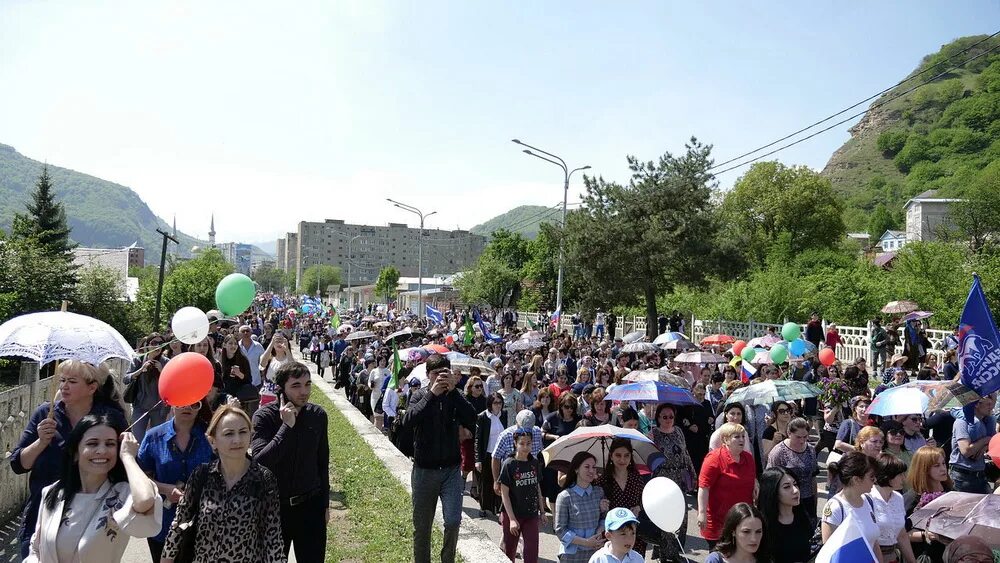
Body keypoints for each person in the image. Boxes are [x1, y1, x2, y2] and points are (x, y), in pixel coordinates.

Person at [11, 360, 128, 559]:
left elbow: (123, 465)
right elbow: (18, 465)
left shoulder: (110, 419)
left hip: (92, 515)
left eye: (72, 381)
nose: (64, 386)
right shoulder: (45, 414)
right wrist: (40, 442)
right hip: (43, 510)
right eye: (62, 380)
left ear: (92, 387)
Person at [25, 414, 161, 562]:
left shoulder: (122, 494)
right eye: (92, 443)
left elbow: (146, 500)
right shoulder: (53, 492)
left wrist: (128, 457)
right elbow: (36, 548)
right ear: (75, 452)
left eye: (110, 444)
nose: (102, 450)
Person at [161, 405, 285, 562]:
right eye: (229, 434)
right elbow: (179, 523)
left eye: (243, 432)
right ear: (213, 441)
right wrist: (167, 558)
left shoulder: (263, 479)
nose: (237, 440)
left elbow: (272, 536)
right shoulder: (201, 475)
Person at [402, 354, 477, 563]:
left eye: (444, 373)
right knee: (422, 527)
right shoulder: (419, 395)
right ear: (428, 375)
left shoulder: (455, 396)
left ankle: (447, 560)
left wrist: (454, 393)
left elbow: (472, 418)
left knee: (453, 521)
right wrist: (431, 395)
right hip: (425, 471)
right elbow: (408, 420)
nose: (440, 379)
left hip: (451, 470)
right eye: (436, 374)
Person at [251, 361, 329, 561]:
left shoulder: (317, 415)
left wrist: (325, 505)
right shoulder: (264, 417)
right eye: (296, 386)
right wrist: (286, 427)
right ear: (281, 389)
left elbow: (322, 462)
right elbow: (260, 461)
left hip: (310, 506)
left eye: (308, 384)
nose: (304, 391)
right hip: (275, 509)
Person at [137, 399, 214, 561]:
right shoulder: (153, 437)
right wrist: (165, 489)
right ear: (171, 404)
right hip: (163, 523)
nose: (187, 407)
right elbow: (139, 477)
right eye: (181, 402)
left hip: (204, 525)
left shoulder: (211, 436)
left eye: (195, 404)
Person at [699, 423, 757, 552]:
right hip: (718, 521)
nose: (742, 439)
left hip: (742, 521)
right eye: (737, 436)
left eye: (743, 436)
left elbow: (751, 480)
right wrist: (702, 513)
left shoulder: (748, 458)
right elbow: (704, 487)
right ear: (725, 440)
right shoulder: (714, 458)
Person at [821, 452, 880, 559]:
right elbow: (829, 553)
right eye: (871, 477)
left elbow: (874, 543)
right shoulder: (835, 508)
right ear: (856, 479)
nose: (875, 480)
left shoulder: (869, 500)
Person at [498, 429, 545, 563]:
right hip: (513, 514)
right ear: (515, 443)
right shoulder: (509, 464)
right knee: (510, 551)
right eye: (522, 443)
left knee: (531, 552)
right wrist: (512, 519)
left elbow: (537, 487)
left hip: (531, 514)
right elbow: (504, 494)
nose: (525, 447)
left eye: (528, 443)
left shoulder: (534, 463)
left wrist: (542, 511)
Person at [554, 451, 609, 563]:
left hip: (596, 552)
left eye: (593, 467)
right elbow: (560, 530)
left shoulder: (599, 492)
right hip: (572, 555)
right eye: (587, 467)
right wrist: (586, 542)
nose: (591, 470)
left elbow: (604, 518)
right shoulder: (565, 496)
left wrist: (599, 530)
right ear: (576, 469)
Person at [597, 438, 648, 557]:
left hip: (634, 533)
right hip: (614, 535)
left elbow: (645, 500)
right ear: (611, 456)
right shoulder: (602, 480)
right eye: (618, 455)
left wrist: (639, 507)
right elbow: (594, 506)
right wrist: (600, 506)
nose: (622, 459)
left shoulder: (636, 478)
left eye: (626, 455)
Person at [904, 446, 953, 561]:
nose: (943, 469)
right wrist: (925, 535)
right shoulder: (914, 497)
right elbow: (902, 535)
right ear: (924, 469)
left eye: (943, 463)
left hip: (948, 552)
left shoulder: (950, 490)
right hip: (925, 554)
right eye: (937, 466)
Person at [765, 417, 818, 520]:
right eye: (798, 437)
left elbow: (813, 478)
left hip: (807, 499)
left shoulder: (810, 450)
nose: (802, 441)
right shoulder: (778, 452)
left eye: (805, 437)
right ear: (789, 433)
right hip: (787, 503)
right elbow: (770, 482)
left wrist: (815, 501)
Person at [869, 453, 916, 563]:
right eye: (900, 474)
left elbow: (902, 535)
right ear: (888, 475)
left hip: (893, 558)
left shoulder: (898, 498)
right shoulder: (868, 498)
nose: (904, 478)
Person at [756, 467, 811, 563]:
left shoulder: (802, 516)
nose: (795, 490)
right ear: (773, 492)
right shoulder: (762, 524)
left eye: (795, 484)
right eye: (786, 487)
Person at [124, 334, 170, 443]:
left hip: (159, 409)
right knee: (137, 439)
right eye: (154, 343)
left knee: (157, 441)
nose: (157, 346)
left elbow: (172, 384)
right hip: (140, 406)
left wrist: (161, 371)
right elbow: (125, 379)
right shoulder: (138, 360)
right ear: (147, 345)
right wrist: (140, 370)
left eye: (160, 344)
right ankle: (138, 460)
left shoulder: (166, 362)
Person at [950, 393, 996, 493]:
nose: (991, 407)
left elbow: (994, 443)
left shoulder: (986, 422)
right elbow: (966, 451)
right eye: (988, 404)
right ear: (976, 404)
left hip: (980, 475)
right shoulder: (961, 422)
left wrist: (984, 447)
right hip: (962, 477)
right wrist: (986, 440)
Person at [475, 392, 508, 517]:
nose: (498, 405)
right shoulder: (483, 417)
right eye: (495, 403)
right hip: (487, 454)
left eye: (500, 403)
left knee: (500, 481)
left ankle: (499, 508)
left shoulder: (503, 414)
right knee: (486, 482)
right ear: (490, 404)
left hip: (501, 455)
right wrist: (477, 460)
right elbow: (478, 439)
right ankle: (484, 507)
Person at [703, 503, 769, 563]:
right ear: (733, 531)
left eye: (758, 531)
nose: (754, 539)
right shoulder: (715, 560)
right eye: (746, 532)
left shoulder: (766, 559)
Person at [237, 324, 266, 412]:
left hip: (256, 383)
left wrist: (263, 378)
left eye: (247, 331)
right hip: (240, 384)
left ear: (251, 332)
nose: (245, 333)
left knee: (254, 409)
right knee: (242, 410)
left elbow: (263, 363)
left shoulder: (258, 346)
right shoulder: (236, 347)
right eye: (243, 331)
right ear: (239, 334)